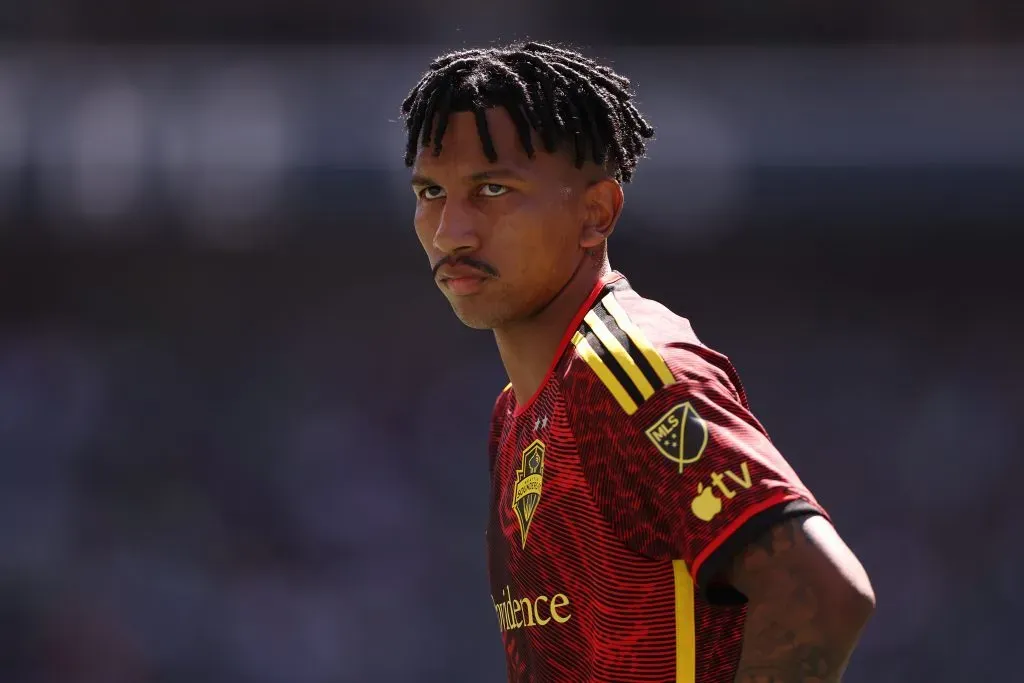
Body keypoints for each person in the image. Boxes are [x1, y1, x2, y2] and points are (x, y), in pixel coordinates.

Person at [400, 41, 875, 683]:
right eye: (432, 191)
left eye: (492, 189)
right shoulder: (517, 410)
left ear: (596, 213)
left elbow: (822, 594)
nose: (451, 231)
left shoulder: (626, 373)